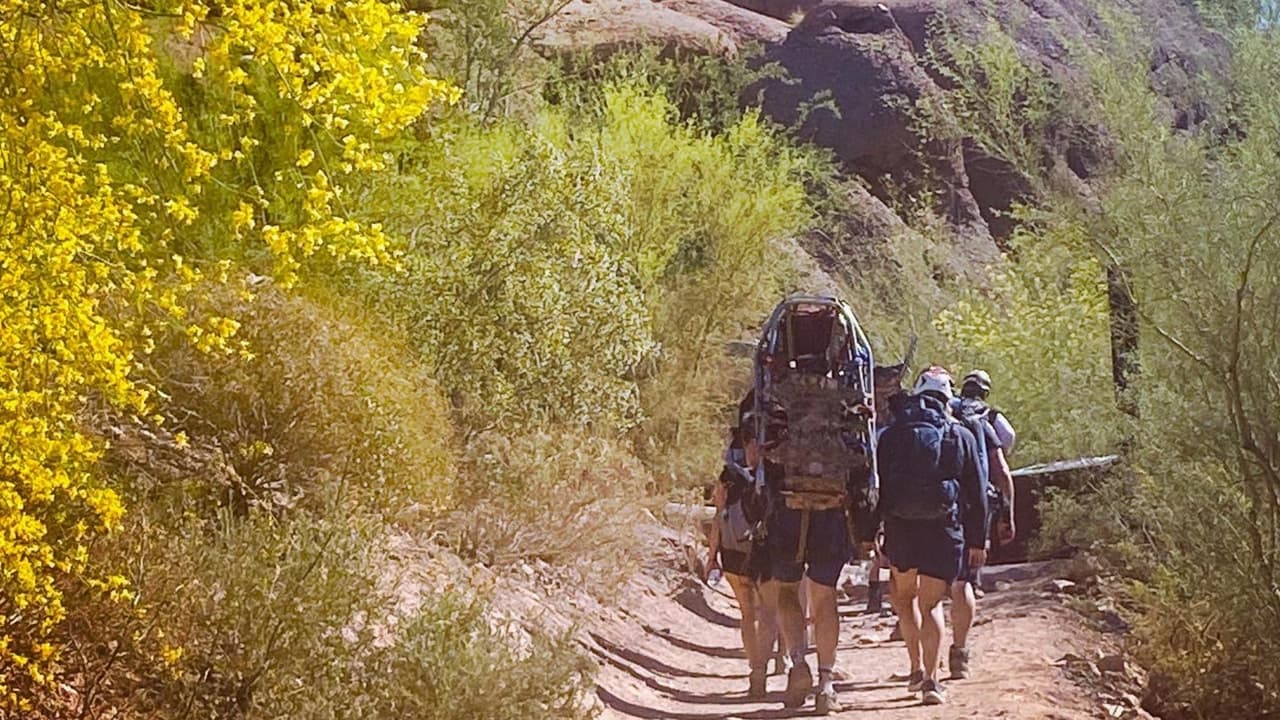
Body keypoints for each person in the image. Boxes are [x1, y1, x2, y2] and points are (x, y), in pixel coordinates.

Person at [877, 366, 988, 706]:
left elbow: (878, 487)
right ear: (947, 398)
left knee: (905, 598)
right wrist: (977, 540)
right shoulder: (961, 433)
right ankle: (931, 680)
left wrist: (872, 535)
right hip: (944, 528)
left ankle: (913, 668)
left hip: (901, 527)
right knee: (931, 604)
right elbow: (977, 491)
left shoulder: (892, 434)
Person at [754, 410, 854, 713]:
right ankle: (826, 684)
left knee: (787, 589)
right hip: (831, 510)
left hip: (786, 511)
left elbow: (752, 462)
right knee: (825, 595)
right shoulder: (845, 404)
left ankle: (797, 663)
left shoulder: (772, 403)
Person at [706, 408, 785, 697]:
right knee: (768, 612)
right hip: (768, 554)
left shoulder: (728, 476)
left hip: (733, 552)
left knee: (747, 613)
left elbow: (719, 515)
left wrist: (712, 556)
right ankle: (766, 668)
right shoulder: (781, 478)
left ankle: (756, 671)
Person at [948, 369, 1017, 678]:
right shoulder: (989, 417)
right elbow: (1004, 461)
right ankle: (960, 649)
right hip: (979, 496)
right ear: (986, 391)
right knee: (968, 567)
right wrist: (1008, 512)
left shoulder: (947, 409)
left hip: (944, 499)